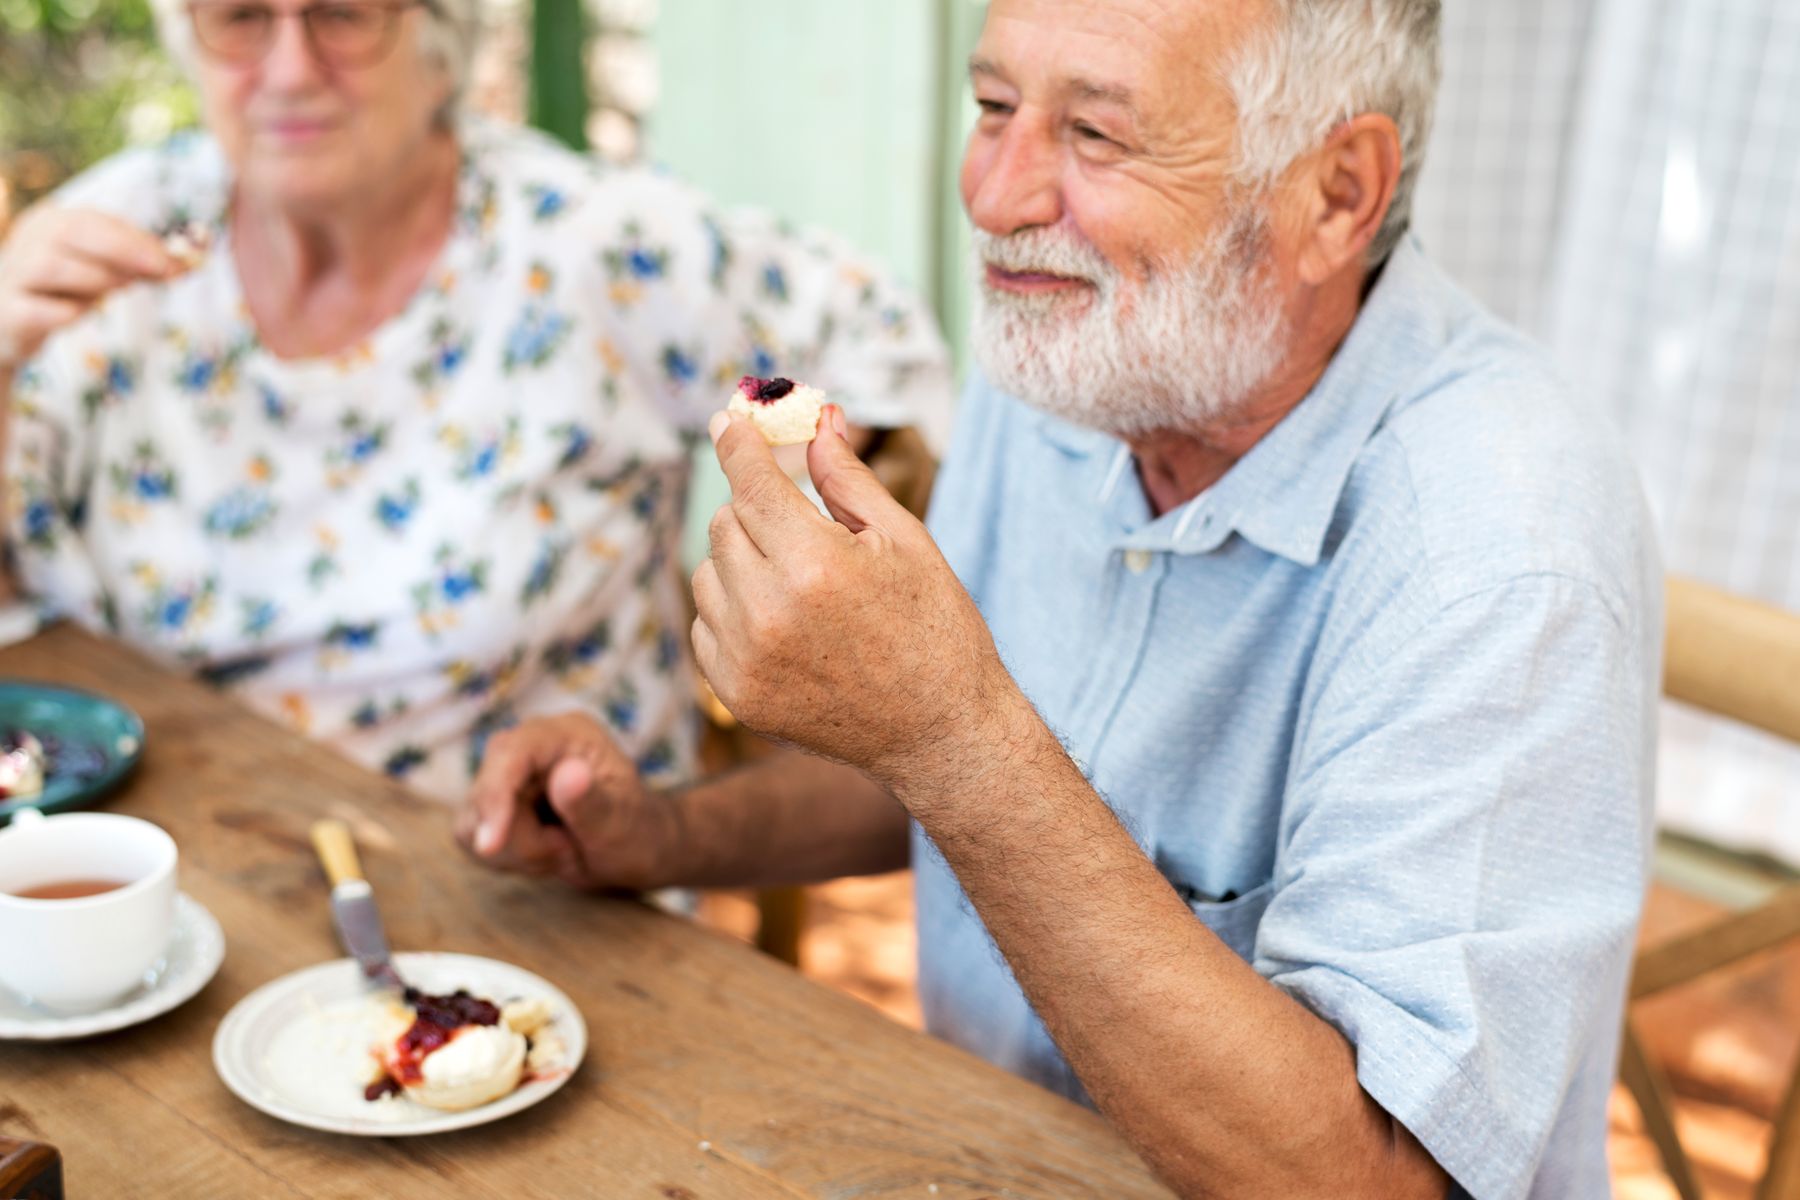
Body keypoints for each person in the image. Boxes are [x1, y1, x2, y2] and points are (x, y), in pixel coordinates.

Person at [459, 1, 1662, 1195]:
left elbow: (1373, 1183)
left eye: (1096, 135)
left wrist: (951, 732)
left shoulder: (1501, 546)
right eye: (992, 108)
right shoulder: (1078, 352)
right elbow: (932, 774)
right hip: (970, 1155)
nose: (996, 195)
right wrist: (663, 837)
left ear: (1337, 193)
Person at [0, 0, 948, 801]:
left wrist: (804, 490)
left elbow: (873, 337)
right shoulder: (116, 233)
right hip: (166, 851)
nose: (288, 68)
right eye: (240, 15)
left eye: (342, 12)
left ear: (440, 39)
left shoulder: (589, 246)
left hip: (523, 878)